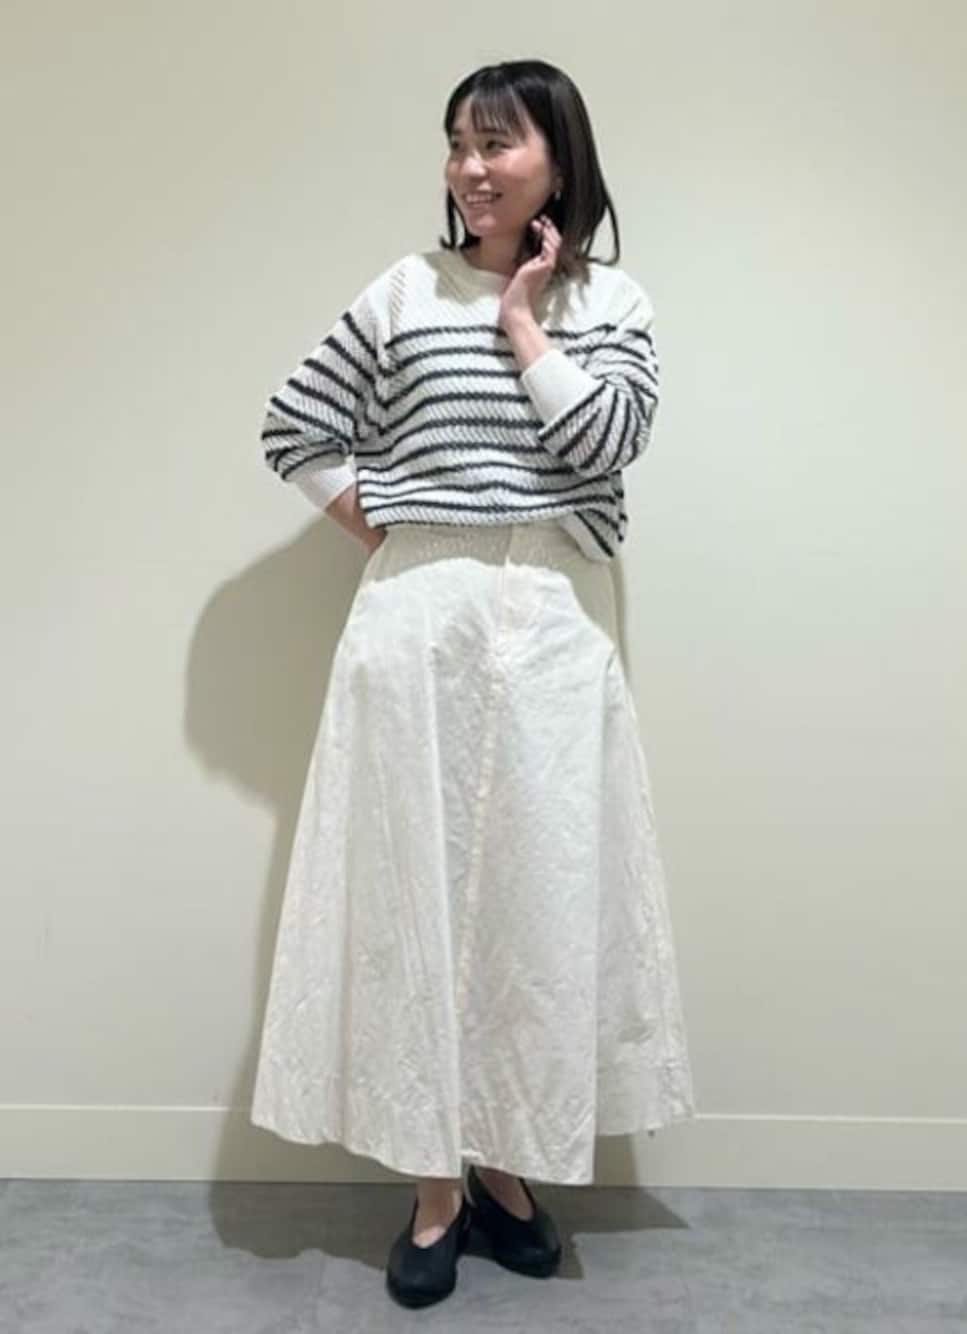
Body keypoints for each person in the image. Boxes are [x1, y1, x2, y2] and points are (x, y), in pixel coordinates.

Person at [249, 58, 696, 1308]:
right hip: (418, 615)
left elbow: (607, 439)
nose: (471, 168)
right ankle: (435, 1185)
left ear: (559, 157)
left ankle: (506, 1164)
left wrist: (525, 323)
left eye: (497, 143)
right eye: (458, 143)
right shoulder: (403, 289)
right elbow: (293, 426)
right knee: (415, 896)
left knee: (534, 902)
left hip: (552, 615)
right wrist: (393, 523)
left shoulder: (613, 303)